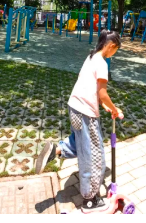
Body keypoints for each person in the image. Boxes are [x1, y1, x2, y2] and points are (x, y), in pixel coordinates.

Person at [35, 30, 123, 213]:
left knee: (80, 143)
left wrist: (104, 106)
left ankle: (55, 150)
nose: (114, 54)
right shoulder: (102, 63)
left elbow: (89, 87)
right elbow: (102, 93)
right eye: (115, 50)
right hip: (85, 114)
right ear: (111, 46)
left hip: (74, 107)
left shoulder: (91, 57)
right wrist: (115, 109)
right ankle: (90, 199)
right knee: (93, 155)